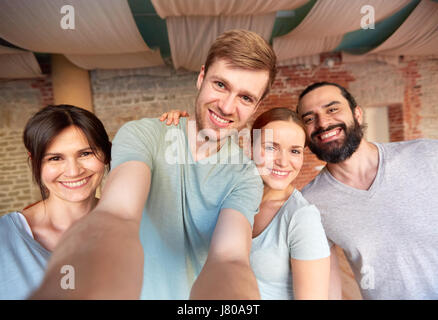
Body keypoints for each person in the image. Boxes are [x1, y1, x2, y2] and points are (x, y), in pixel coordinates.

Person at [31, 29, 277, 299]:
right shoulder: (143, 135)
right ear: (201, 77)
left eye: (245, 97)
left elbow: (230, 259)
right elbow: (118, 215)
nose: (227, 107)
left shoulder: (245, 176)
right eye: (221, 85)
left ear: (257, 105)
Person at [160, 107, 331, 299]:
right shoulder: (229, 191)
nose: (283, 161)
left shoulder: (302, 218)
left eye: (294, 151)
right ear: (250, 147)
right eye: (271, 147)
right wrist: (179, 126)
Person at [296, 81, 438, 299]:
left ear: (357, 114)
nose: (322, 122)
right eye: (309, 118)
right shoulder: (310, 203)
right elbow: (327, 287)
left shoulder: (427, 155)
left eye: (332, 109)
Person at [0, 104, 111, 299]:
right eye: (55, 158)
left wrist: (177, 128)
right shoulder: (5, 239)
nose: (74, 171)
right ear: (34, 161)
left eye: (85, 153)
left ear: (106, 153)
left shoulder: (139, 226)